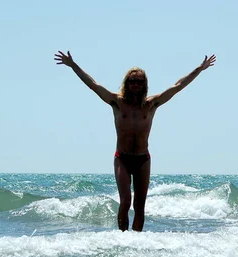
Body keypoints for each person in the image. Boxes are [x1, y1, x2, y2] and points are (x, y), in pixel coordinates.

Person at [54, 50, 216, 231]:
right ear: (127, 83)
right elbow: (93, 84)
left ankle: (136, 243)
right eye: (132, 81)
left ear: (144, 84)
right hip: (122, 158)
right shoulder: (117, 101)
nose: (136, 85)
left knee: (140, 206)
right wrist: (73, 65)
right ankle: (122, 239)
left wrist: (199, 69)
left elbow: (178, 86)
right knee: (125, 201)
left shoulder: (152, 103)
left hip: (142, 159)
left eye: (139, 82)